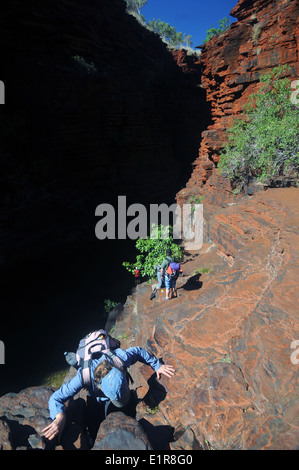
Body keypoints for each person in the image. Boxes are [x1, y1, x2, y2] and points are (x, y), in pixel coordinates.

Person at [42, 346, 175, 442]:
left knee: (126, 409)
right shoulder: (83, 378)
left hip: (104, 368)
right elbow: (56, 398)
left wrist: (157, 365)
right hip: (95, 392)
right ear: (101, 387)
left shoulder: (120, 359)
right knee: (93, 420)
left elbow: (138, 351)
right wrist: (59, 417)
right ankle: (76, 361)